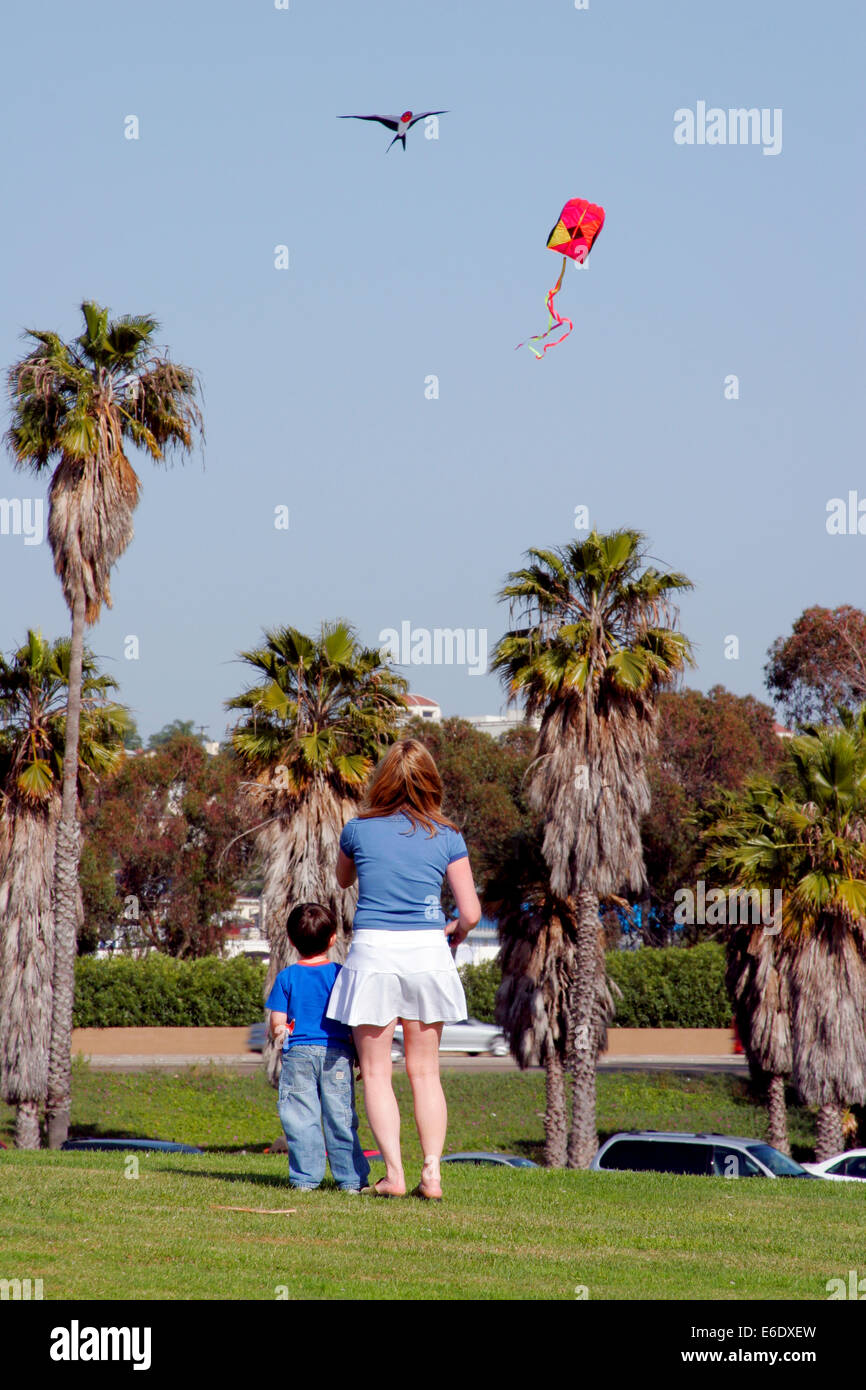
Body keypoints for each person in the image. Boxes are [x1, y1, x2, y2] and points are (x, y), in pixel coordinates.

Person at [326, 738, 481, 1200]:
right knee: (425, 1073)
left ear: (383, 781)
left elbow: (343, 878)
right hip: (428, 953)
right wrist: (455, 933)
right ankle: (431, 1173)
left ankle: (393, 1174)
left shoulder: (357, 830)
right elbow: (470, 911)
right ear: (430, 781)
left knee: (375, 1073)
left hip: (374, 953)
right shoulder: (447, 836)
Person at [266, 903, 370, 1192]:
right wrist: (360, 1057)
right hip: (336, 1055)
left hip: (298, 1054)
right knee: (341, 1117)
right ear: (333, 938)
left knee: (301, 1117)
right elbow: (353, 1022)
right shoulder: (341, 975)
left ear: (290, 940)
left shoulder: (286, 977)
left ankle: (305, 1179)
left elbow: (277, 1022)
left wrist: (279, 1033)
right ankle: (350, 1180)